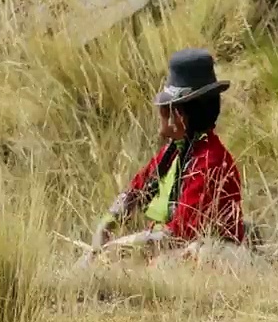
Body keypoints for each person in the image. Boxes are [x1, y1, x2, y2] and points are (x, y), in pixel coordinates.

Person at [90, 48, 244, 260]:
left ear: (178, 115)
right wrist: (105, 226)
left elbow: (177, 236)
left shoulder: (211, 162)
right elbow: (134, 192)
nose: (159, 115)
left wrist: (117, 248)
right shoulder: (172, 154)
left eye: (163, 108)